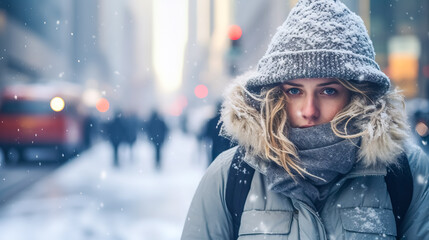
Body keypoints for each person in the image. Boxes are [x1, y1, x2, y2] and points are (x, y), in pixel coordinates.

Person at [181, 0, 429, 239]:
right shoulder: (231, 175)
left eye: (328, 91)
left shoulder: (404, 172)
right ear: (276, 95)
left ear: (358, 95)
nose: (309, 110)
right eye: (295, 91)